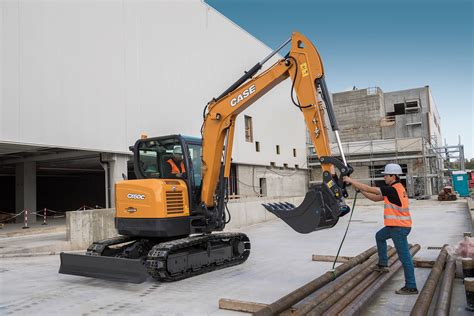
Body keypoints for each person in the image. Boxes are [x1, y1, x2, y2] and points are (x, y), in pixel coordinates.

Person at [343, 163, 418, 295]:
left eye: (386, 175)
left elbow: (371, 189)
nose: (384, 177)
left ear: (393, 176)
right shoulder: (396, 188)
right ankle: (383, 264)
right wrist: (360, 191)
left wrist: (350, 180)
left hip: (399, 228)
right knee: (379, 236)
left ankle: (411, 286)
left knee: (405, 257)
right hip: (395, 226)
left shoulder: (393, 189)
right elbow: (375, 198)